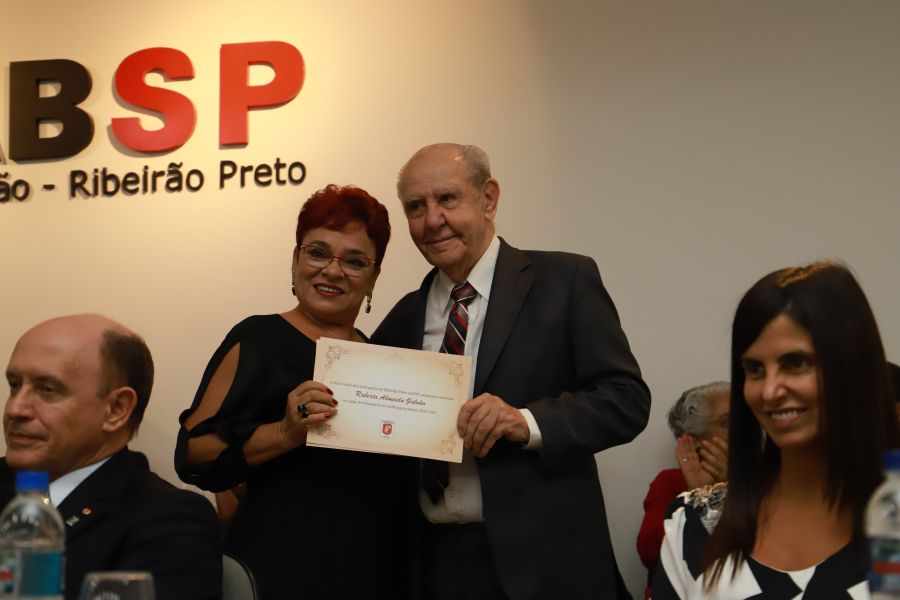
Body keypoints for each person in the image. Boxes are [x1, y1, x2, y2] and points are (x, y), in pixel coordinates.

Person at [372, 143, 651, 600]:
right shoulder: (404, 317)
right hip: (432, 565)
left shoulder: (565, 280)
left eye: (447, 199)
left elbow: (626, 400)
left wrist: (525, 422)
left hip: (546, 567)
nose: (432, 220)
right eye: (415, 207)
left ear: (488, 198)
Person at [175, 184, 415, 600]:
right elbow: (193, 452)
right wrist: (285, 433)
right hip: (284, 566)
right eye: (318, 253)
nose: (333, 271)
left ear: (374, 277)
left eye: (354, 261)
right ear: (295, 259)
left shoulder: (380, 358)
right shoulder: (258, 338)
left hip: (372, 567)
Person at [652, 261, 900, 598]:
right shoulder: (695, 524)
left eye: (796, 363)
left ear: (851, 367)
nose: (769, 391)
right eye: (754, 369)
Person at [2, 314, 221, 600]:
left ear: (116, 409)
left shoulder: (169, 520)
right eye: (14, 385)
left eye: (47, 390)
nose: (15, 409)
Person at [636, 381, 729, 598]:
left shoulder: (771, 480)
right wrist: (699, 496)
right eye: (727, 422)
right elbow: (651, 554)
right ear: (694, 439)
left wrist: (727, 488)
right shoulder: (669, 483)